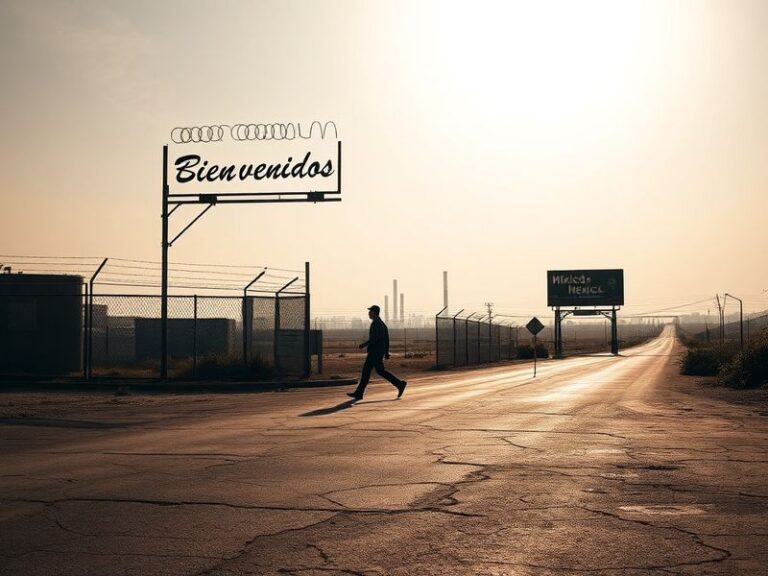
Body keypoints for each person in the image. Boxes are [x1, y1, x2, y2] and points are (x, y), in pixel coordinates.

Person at [347, 305, 407, 400]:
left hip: (374, 352)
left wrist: (364, 344)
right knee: (380, 371)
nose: (369, 313)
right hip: (379, 352)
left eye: (370, 311)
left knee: (366, 371)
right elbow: (387, 339)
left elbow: (374, 339)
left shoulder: (376, 324)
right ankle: (399, 384)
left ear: (374, 312)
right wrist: (386, 352)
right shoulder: (382, 324)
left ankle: (359, 393)